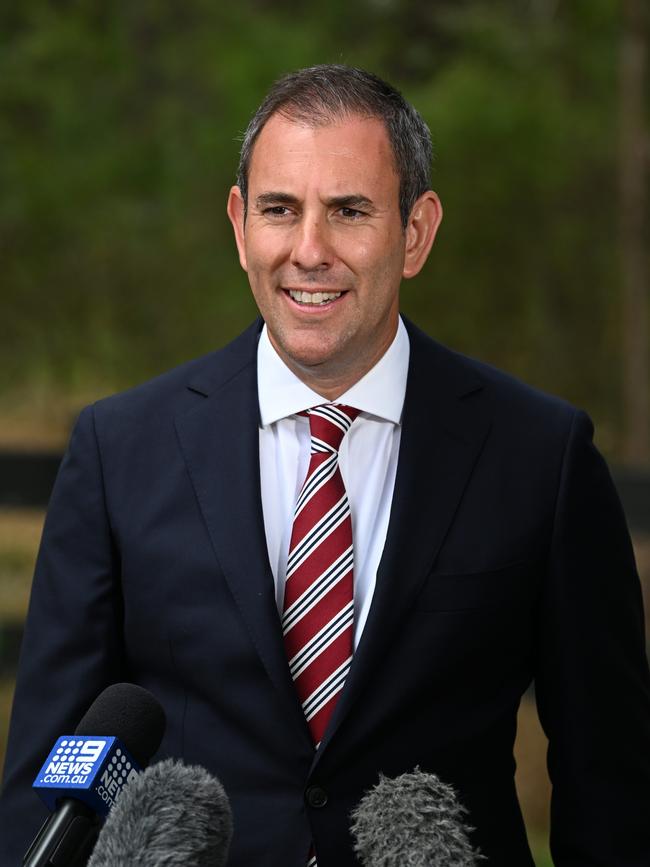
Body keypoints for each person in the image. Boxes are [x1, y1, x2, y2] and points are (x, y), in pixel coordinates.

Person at [1, 64, 649, 866]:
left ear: (415, 232)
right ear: (240, 226)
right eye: (280, 209)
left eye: (349, 211)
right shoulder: (117, 447)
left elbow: (611, 779)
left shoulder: (541, 456)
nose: (309, 251)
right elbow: (44, 781)